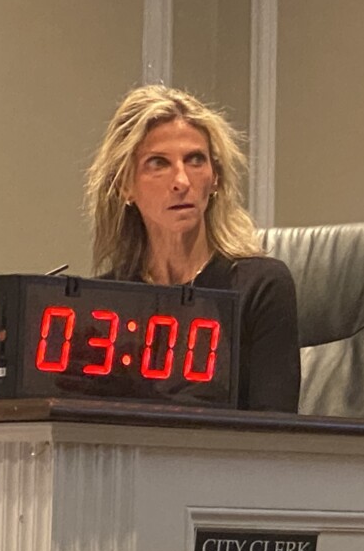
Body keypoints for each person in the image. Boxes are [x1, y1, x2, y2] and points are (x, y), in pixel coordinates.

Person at [83, 85, 300, 412]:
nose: (181, 181)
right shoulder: (106, 302)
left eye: (195, 160)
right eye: (158, 163)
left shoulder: (260, 286)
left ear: (215, 179)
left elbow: (274, 438)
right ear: (125, 185)